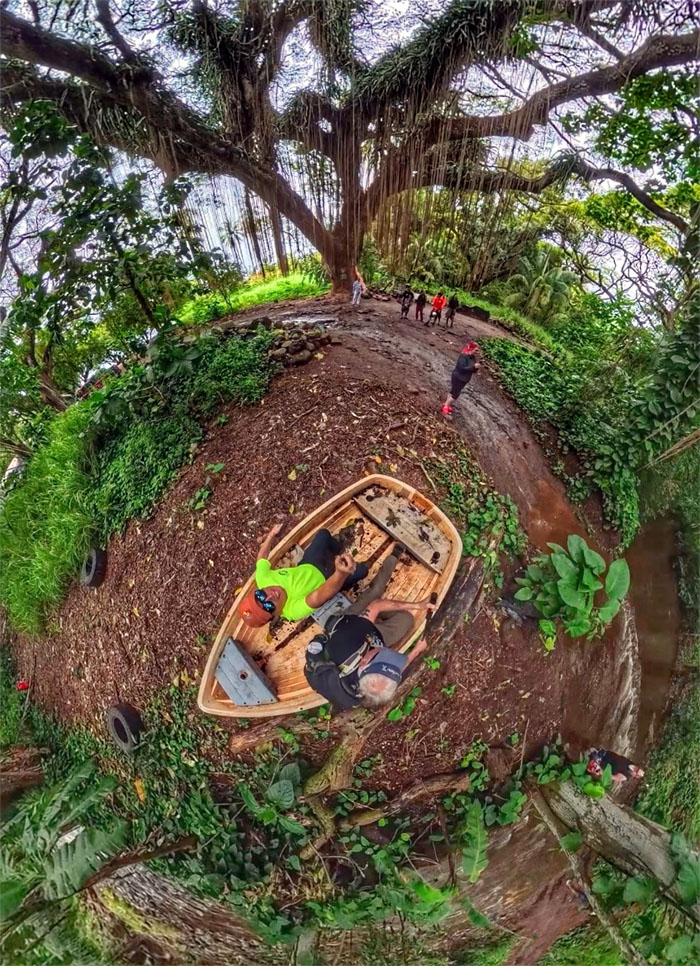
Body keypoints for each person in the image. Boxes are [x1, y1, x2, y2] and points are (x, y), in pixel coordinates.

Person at [304, 551, 434, 709]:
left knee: (374, 592)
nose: (384, 650)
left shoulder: (348, 642)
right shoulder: (370, 690)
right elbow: (396, 669)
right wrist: (417, 651)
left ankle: (393, 556)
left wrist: (417, 605)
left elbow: (376, 605)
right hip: (360, 637)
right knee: (406, 620)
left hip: (349, 625)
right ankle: (378, 616)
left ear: (364, 663)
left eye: (382, 655)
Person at [240, 523, 369, 627]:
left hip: (309, 564)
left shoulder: (263, 579)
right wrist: (340, 573)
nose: (269, 596)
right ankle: (344, 574)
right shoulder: (293, 611)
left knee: (323, 534)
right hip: (328, 580)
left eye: (260, 595)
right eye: (269, 606)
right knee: (362, 571)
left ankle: (337, 547)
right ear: (275, 616)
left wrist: (271, 536)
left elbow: (261, 559)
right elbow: (320, 595)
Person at [442, 341, 481, 418]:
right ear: (471, 349)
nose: (477, 352)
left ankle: (446, 404)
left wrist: (476, 368)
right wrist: (473, 367)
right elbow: (461, 368)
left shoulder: (473, 358)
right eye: (476, 350)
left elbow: (472, 371)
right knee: (456, 394)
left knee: (453, 391)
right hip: (458, 376)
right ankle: (446, 406)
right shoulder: (463, 356)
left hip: (464, 379)